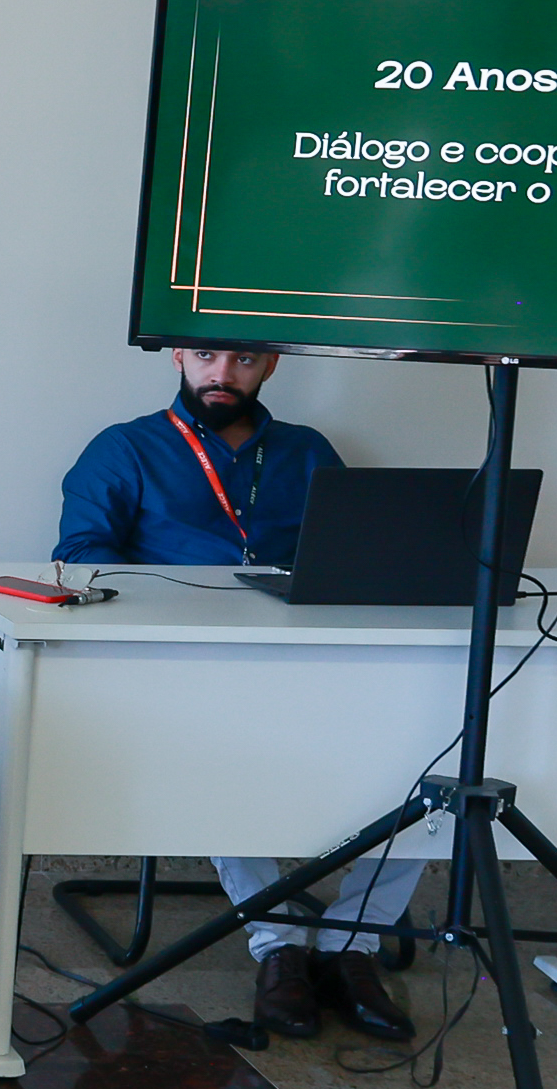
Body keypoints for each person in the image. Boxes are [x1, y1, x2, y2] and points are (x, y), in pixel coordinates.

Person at [54, 344, 423, 1044]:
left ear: (270, 366)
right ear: (178, 358)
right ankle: (277, 945)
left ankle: (352, 944)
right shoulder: (124, 449)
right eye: (206, 356)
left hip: (316, 661)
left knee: (432, 753)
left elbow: (355, 550)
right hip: (193, 665)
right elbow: (79, 559)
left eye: (244, 360)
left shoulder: (307, 451)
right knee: (219, 746)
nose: (222, 374)